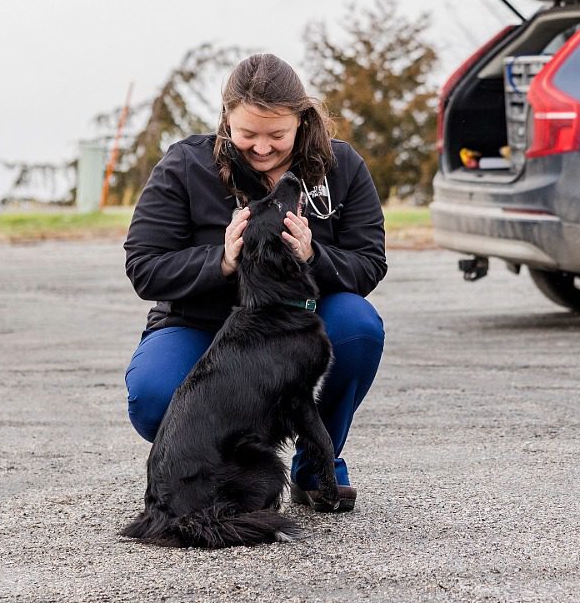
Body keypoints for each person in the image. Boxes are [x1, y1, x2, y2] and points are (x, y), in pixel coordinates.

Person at [123, 52, 387, 512]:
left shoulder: (341, 166)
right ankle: (220, 473)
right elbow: (145, 266)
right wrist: (221, 260)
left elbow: (369, 262)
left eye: (277, 135)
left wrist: (313, 254)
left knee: (358, 325)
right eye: (247, 134)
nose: (262, 148)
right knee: (154, 395)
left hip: (293, 325)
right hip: (201, 325)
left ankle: (316, 463)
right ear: (226, 119)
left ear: (301, 120)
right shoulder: (186, 165)